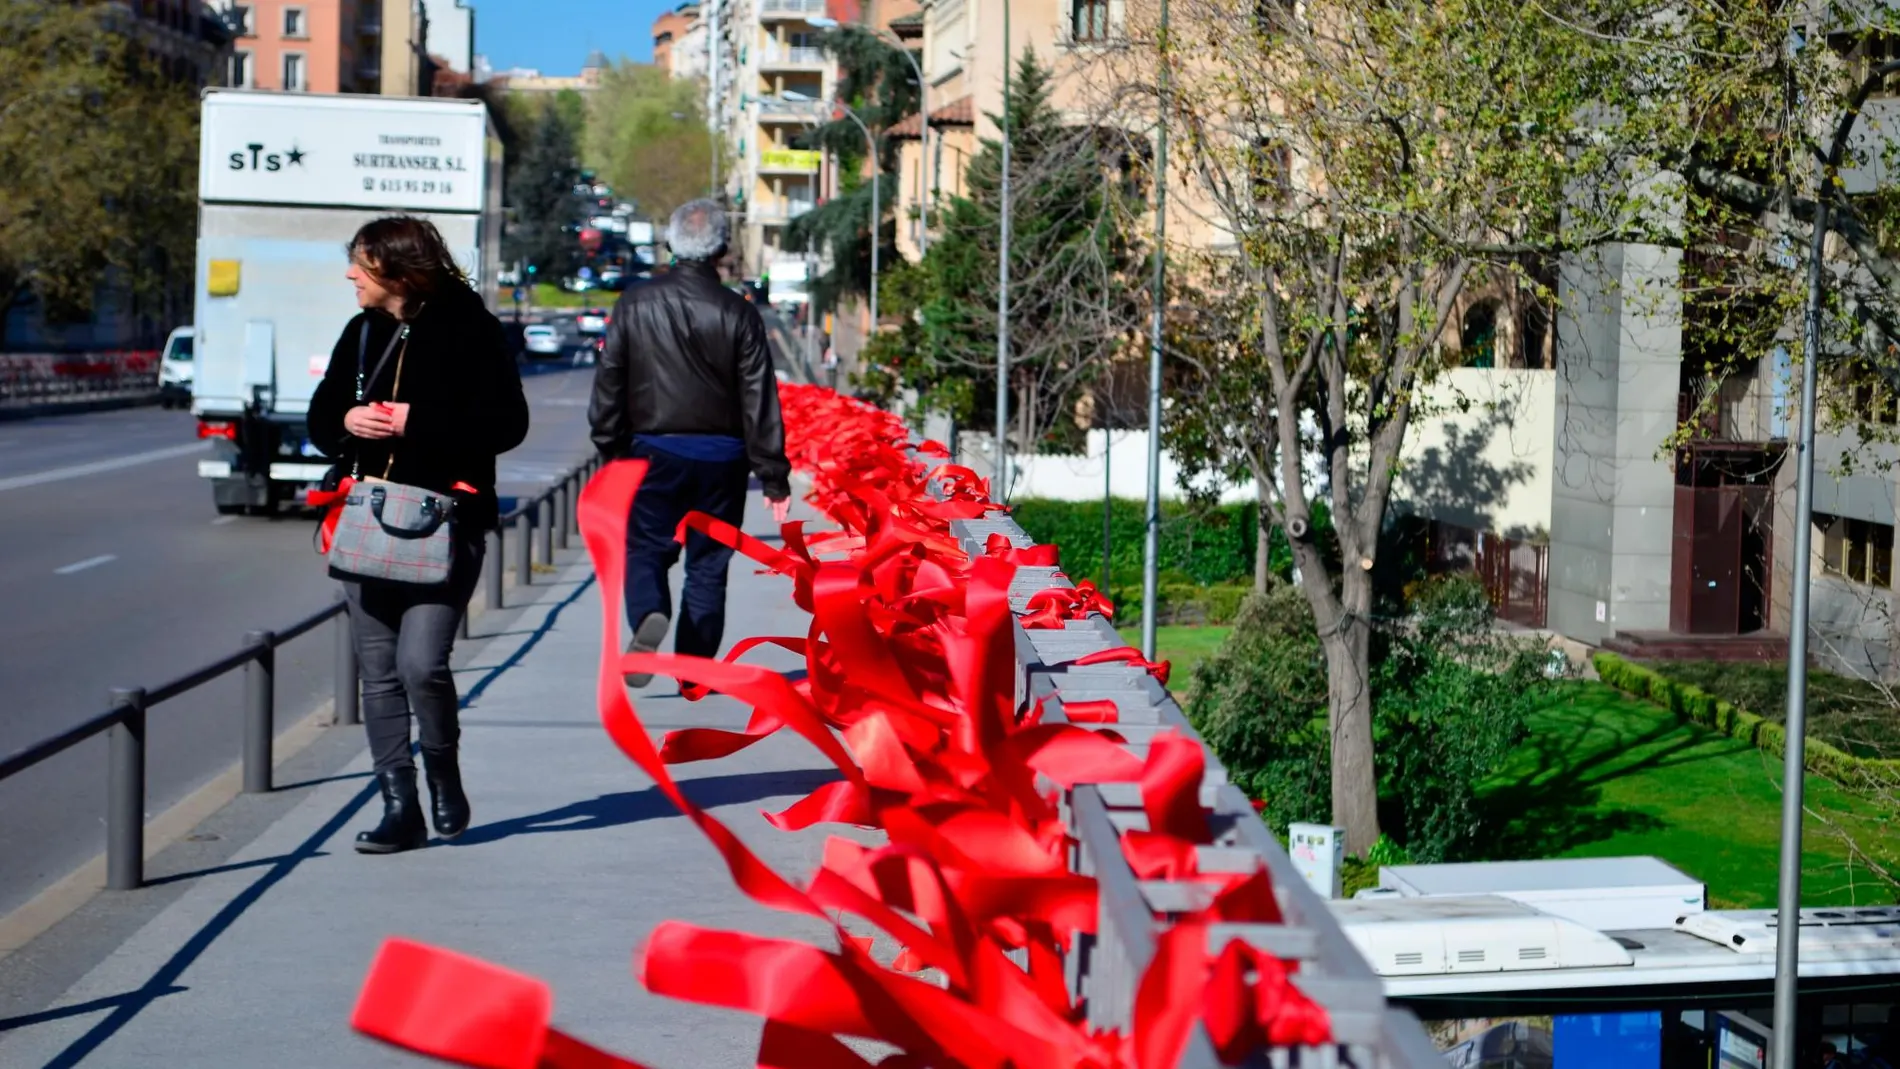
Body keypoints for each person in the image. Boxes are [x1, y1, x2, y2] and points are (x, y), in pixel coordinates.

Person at [310, 216, 530, 854]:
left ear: (397, 271)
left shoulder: (470, 330)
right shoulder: (360, 332)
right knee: (376, 673)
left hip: (446, 523)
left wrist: (416, 423)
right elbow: (322, 416)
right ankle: (398, 805)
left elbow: (507, 423)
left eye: (360, 264)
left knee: (420, 664)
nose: (350, 274)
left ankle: (443, 776)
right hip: (365, 522)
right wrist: (347, 420)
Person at [588, 199, 791, 687]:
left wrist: (612, 448)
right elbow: (759, 397)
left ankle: (650, 612)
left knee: (645, 547)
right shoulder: (738, 314)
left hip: (652, 450)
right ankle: (694, 669)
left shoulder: (635, 304)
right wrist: (773, 477)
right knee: (709, 564)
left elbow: (609, 383)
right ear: (721, 248)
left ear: (671, 244)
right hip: (723, 458)